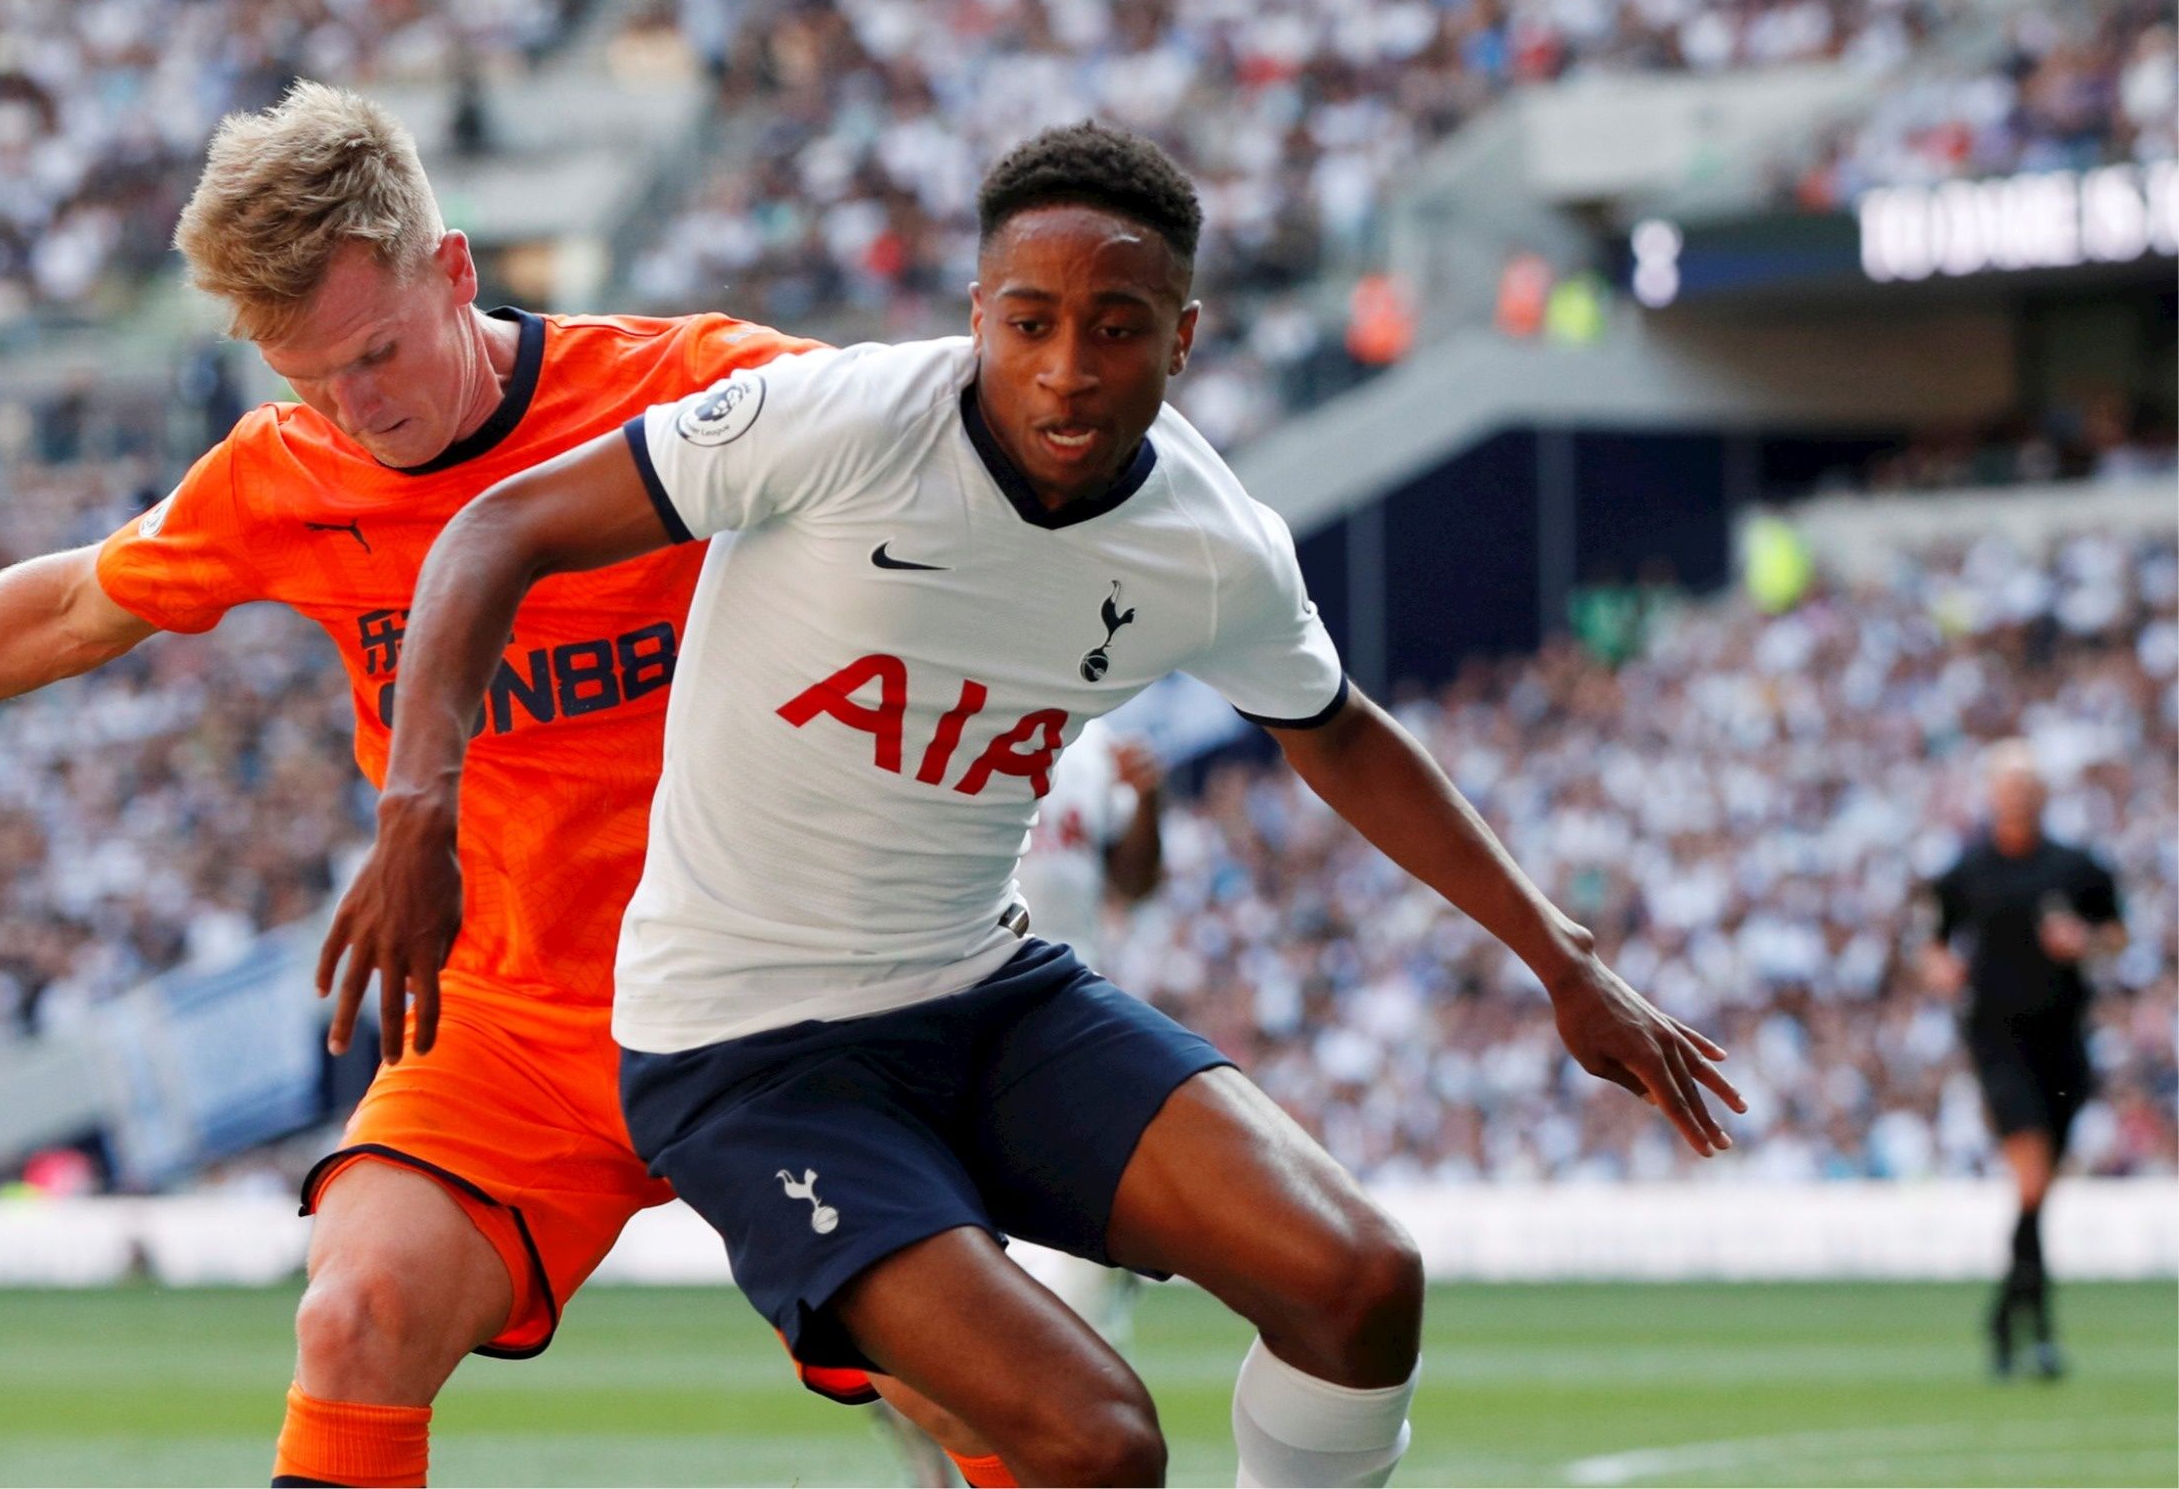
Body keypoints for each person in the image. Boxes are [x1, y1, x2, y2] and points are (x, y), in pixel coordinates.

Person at [325, 122, 1742, 1487]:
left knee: (1363, 1286)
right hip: (747, 1050)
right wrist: (417, 808)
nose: (1068, 368)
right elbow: (495, 528)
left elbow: (1342, 735)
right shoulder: (841, 422)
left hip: (985, 994)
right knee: (1098, 1440)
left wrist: (1563, 959)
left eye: (1118, 326)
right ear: (978, 315)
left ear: (1183, 339)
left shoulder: (1210, 542)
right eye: (1028, 321)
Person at [0, 82, 891, 1487]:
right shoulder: (286, 473)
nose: (358, 408)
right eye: (308, 379)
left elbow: (946, 465)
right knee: (354, 1312)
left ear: (455, 269)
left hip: (775, 1000)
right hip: (514, 1024)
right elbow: (66, 610)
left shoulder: (699, 390)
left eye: (379, 353)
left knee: (986, 1398)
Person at [874, 714, 1165, 1487]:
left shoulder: (1094, 738)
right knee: (927, 1297)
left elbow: (1133, 882)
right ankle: (947, 1455)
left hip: (1067, 1026)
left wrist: (1150, 805)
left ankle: (1032, 1455)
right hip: (945, 1025)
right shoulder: (944, 714)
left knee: (1067, 1307)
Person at [1921, 740, 2124, 1380]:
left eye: (2028, 785)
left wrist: (2084, 941)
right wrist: (1942, 969)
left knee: (2039, 1192)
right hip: (1998, 1040)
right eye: (2007, 786)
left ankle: (2007, 1317)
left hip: (2063, 1042)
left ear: (2042, 795)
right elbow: (1933, 939)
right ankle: (2038, 1331)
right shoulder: (1967, 870)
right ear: (1991, 794)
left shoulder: (2077, 867)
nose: (2017, 796)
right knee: (2032, 1179)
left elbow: (2116, 933)